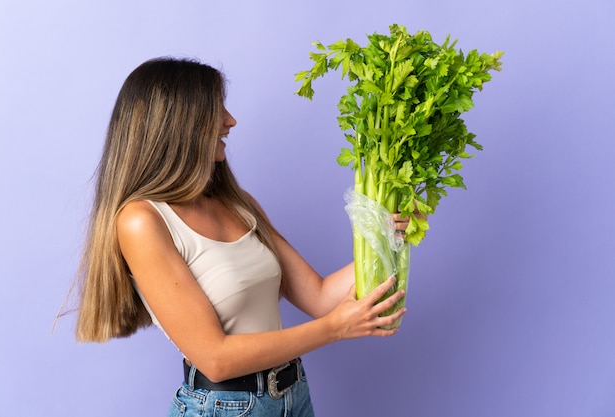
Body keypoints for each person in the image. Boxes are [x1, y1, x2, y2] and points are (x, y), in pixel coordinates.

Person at [73, 57, 412, 417]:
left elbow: (322, 295)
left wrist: (388, 237)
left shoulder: (239, 204)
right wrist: (333, 330)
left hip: (294, 396)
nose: (230, 120)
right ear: (178, 122)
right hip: (226, 408)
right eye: (216, 108)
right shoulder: (141, 221)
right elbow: (216, 358)